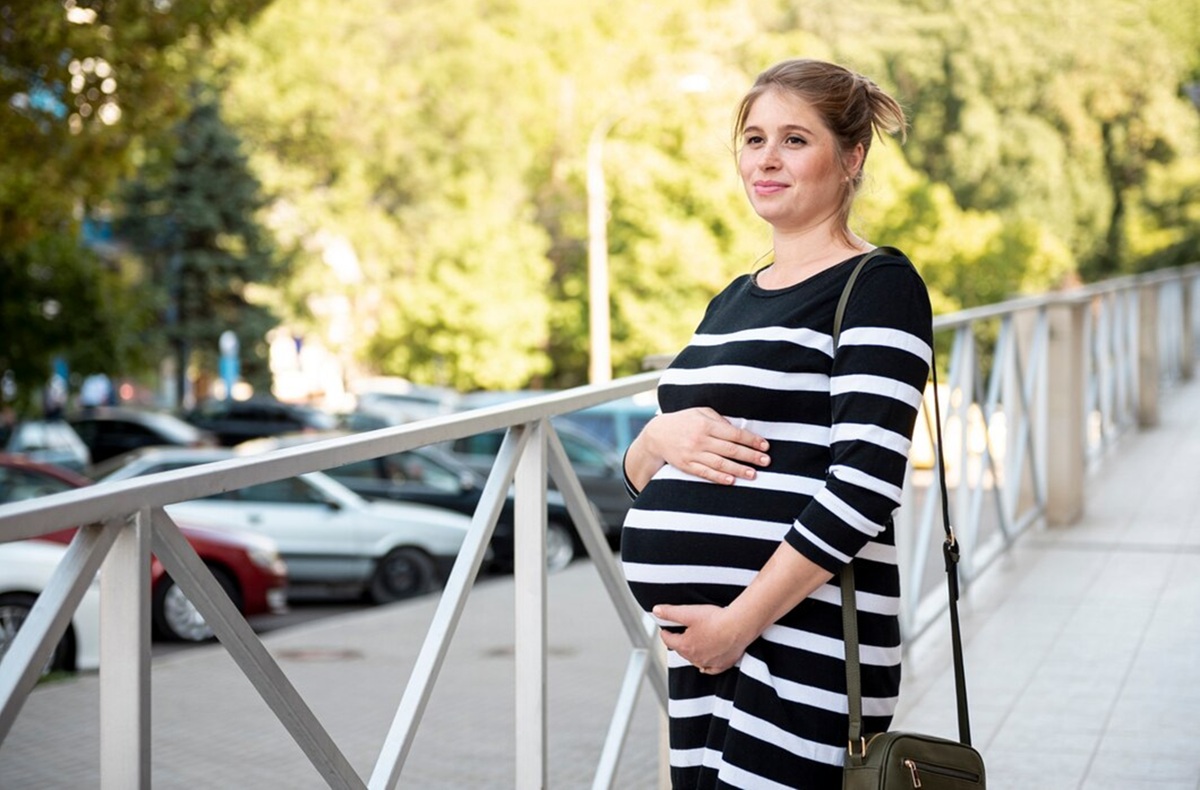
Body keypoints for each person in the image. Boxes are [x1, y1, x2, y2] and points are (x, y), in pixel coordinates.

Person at [620, 58, 933, 788]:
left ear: (851, 157)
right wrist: (651, 440)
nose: (766, 158)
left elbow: (864, 487)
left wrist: (738, 624)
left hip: (801, 643)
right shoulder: (732, 297)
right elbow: (647, 476)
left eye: (795, 139)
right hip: (704, 648)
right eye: (754, 137)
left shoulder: (878, 286)